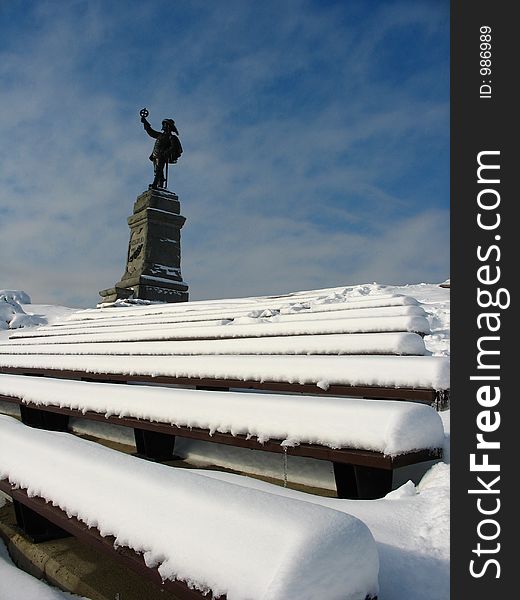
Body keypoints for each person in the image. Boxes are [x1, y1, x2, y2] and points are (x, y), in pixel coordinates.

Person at [141, 114, 182, 189]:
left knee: (158, 170)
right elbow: (151, 132)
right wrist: (145, 122)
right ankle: (160, 184)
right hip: (155, 155)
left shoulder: (171, 137)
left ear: (168, 127)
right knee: (157, 170)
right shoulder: (160, 135)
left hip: (162, 155)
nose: (163, 126)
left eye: (165, 125)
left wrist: (166, 152)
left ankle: (155, 184)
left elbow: (174, 147)